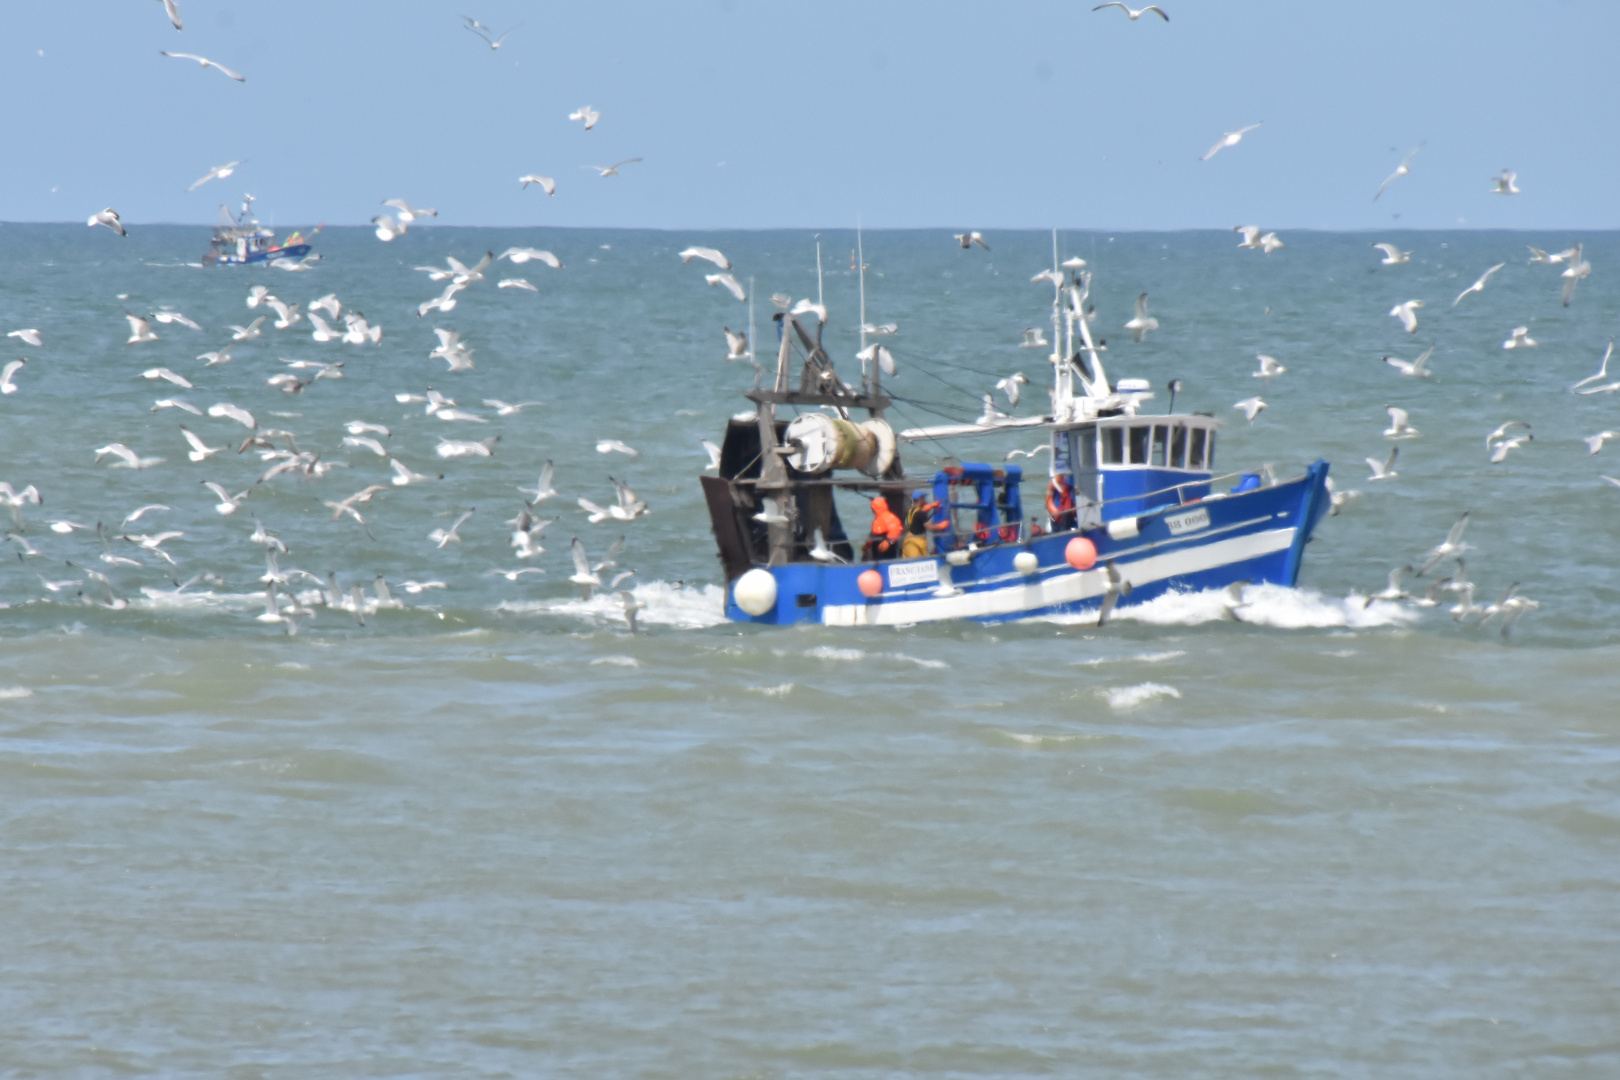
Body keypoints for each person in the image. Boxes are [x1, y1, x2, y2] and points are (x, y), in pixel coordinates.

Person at [901, 489, 947, 558]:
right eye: (924, 498)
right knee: (917, 563)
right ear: (920, 500)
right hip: (916, 543)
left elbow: (922, 511)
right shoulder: (921, 514)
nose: (926, 501)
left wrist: (931, 506)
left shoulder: (911, 510)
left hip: (908, 540)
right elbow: (930, 527)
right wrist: (942, 525)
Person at [864, 495, 903, 561]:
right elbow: (873, 534)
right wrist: (868, 545)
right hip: (877, 551)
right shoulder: (876, 520)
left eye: (873, 508)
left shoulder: (889, 517)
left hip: (888, 550)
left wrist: (888, 542)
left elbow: (896, 529)